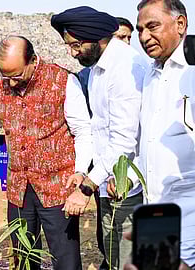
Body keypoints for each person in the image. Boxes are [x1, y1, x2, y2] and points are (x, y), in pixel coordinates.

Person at [0, 35, 92, 270]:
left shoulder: (63, 81)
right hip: (19, 189)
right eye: (6, 76)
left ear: (33, 60)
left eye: (16, 75)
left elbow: (83, 131)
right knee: (24, 257)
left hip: (59, 187)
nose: (11, 83)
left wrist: (81, 170)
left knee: (65, 257)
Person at [51, 7, 147, 270]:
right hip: (107, 181)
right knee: (112, 254)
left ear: (95, 37)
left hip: (128, 185)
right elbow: (98, 129)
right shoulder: (97, 69)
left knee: (128, 259)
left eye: (76, 45)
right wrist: (86, 173)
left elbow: (125, 141)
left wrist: (85, 188)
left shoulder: (126, 68)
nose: (72, 52)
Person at [134, 0, 194, 268]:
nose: (144, 37)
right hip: (155, 215)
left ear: (180, 24)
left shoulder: (192, 70)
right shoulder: (151, 73)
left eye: (152, 26)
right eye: (140, 30)